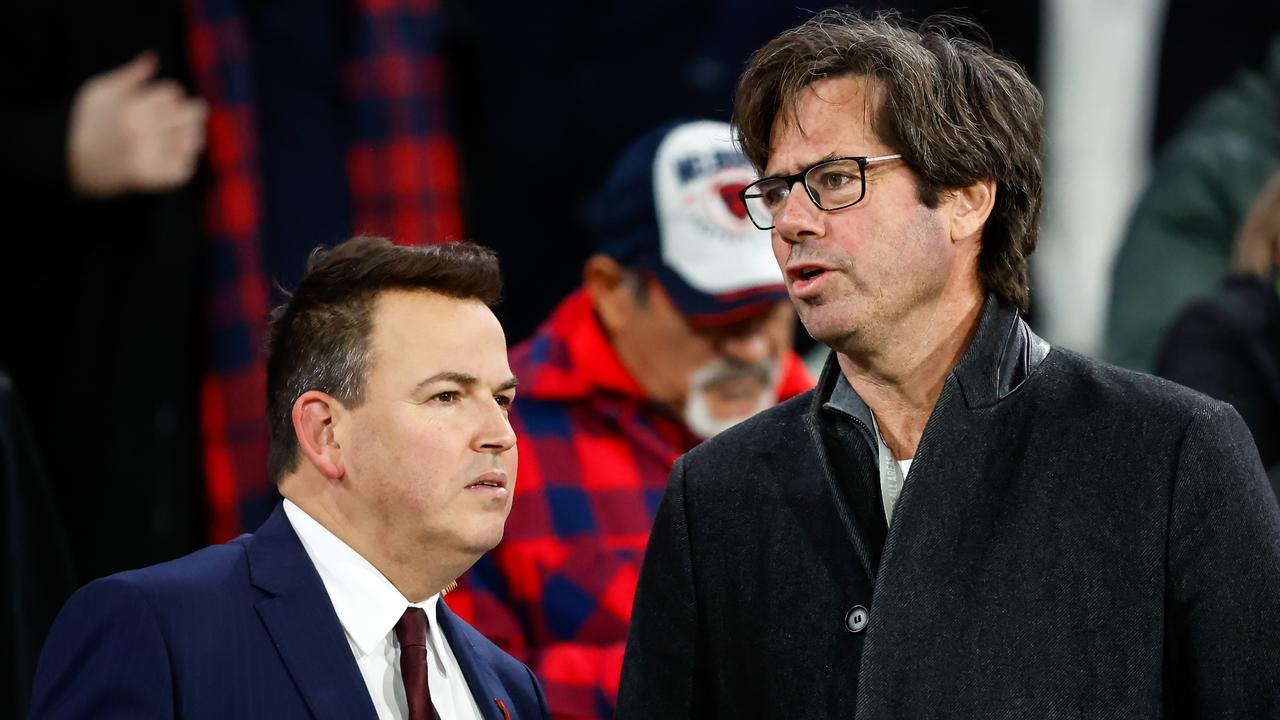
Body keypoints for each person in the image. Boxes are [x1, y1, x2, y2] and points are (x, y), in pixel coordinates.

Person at [617, 11, 1280, 719]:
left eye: (835, 179)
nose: (790, 221)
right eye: (777, 190)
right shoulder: (714, 494)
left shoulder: (1173, 453)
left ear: (967, 198)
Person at [29, 237, 550, 719]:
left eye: (502, 400)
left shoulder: (512, 688)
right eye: (447, 396)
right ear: (325, 432)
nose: (500, 434)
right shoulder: (154, 630)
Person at [448, 120, 813, 718]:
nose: (753, 352)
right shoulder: (486, 435)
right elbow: (454, 686)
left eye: (772, 309)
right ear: (612, 291)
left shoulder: (841, 425)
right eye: (716, 318)